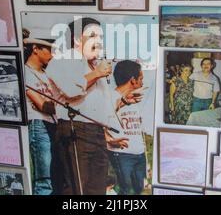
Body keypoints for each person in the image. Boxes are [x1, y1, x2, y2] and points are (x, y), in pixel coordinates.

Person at [45, 17, 119, 195]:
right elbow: (71, 90)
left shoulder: (93, 66)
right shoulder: (63, 59)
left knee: (97, 189)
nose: (99, 41)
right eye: (93, 35)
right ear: (78, 39)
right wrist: (97, 73)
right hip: (74, 130)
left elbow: (104, 105)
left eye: (101, 37)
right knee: (76, 189)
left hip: (97, 133)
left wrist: (108, 133)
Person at [107, 60, 148, 195]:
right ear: (132, 80)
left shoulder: (134, 98)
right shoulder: (110, 96)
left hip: (139, 154)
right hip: (122, 154)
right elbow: (102, 119)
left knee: (139, 191)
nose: (142, 82)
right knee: (126, 192)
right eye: (140, 78)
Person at [24, 36, 58, 195]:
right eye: (49, 50)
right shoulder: (25, 72)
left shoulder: (48, 74)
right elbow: (42, 105)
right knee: (44, 178)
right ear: (35, 49)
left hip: (54, 125)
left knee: (55, 176)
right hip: (38, 124)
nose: (52, 54)